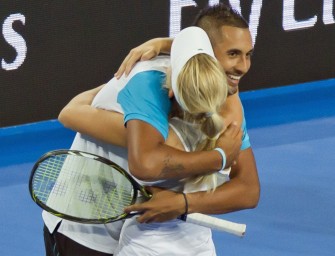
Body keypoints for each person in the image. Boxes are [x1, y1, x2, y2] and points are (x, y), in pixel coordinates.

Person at [43, 25, 241, 255]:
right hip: (84, 227)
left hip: (128, 229)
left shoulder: (149, 103)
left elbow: (70, 111)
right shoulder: (218, 115)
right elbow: (70, 114)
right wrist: (219, 157)